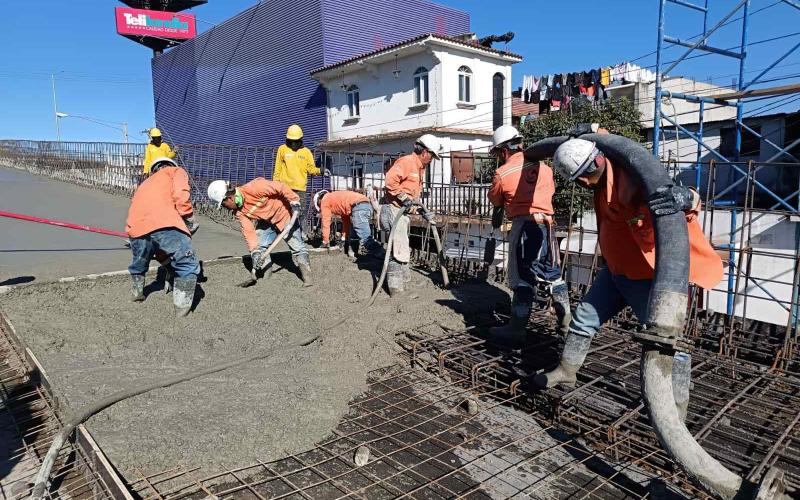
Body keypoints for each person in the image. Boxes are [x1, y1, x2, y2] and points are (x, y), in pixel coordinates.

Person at [534, 128, 723, 421]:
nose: (583, 183)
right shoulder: (602, 166)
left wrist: (688, 198)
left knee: (668, 342)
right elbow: (606, 136)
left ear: (597, 163)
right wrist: (590, 131)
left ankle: (675, 407)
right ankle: (567, 370)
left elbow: (681, 200)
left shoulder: (634, 177)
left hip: (648, 278)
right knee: (584, 317)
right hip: (615, 271)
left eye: (585, 175)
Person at [487, 125, 571, 343]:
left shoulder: (502, 173)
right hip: (548, 225)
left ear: (503, 151)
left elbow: (495, 200)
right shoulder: (545, 168)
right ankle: (567, 325)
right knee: (553, 275)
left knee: (523, 278)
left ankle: (516, 329)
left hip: (524, 226)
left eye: (497, 153)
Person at [125, 157, 200, 316]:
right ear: (169, 165)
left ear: (153, 170)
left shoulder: (144, 184)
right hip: (163, 221)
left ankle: (137, 292)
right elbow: (181, 193)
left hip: (135, 227)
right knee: (187, 263)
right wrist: (189, 217)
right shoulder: (175, 171)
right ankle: (181, 311)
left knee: (142, 258)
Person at [207, 177, 312, 285]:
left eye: (224, 205)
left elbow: (280, 187)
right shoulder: (238, 211)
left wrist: (293, 200)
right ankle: (267, 276)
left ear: (229, 198)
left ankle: (307, 278)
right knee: (260, 246)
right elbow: (248, 231)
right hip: (266, 221)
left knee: (297, 247)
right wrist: (254, 252)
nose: (226, 208)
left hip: (284, 215)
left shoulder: (255, 187)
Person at [380, 135, 442, 296]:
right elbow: (390, 181)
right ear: (425, 152)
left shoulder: (419, 168)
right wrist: (403, 198)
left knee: (401, 246)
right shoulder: (407, 162)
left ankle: (403, 283)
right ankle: (396, 289)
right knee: (397, 249)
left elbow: (411, 199)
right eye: (432, 156)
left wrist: (420, 210)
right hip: (392, 210)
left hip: (401, 213)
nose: (432, 160)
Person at [273, 124, 322, 239]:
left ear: (300, 140)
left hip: (300, 188)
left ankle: (304, 234)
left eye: (295, 141)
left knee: (301, 213)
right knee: (284, 210)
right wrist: (275, 185)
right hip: (285, 187)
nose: (293, 144)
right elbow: (277, 169)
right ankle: (284, 233)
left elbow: (311, 169)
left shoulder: (306, 152)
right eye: (291, 141)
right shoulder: (282, 149)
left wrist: (320, 170)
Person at [314, 189, 382, 258]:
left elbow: (325, 221)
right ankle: (354, 254)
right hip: (366, 205)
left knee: (365, 238)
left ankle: (382, 254)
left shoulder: (325, 200)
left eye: (320, 206)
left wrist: (325, 241)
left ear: (319, 200)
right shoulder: (336, 199)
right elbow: (346, 222)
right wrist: (343, 238)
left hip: (358, 207)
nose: (321, 208)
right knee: (354, 233)